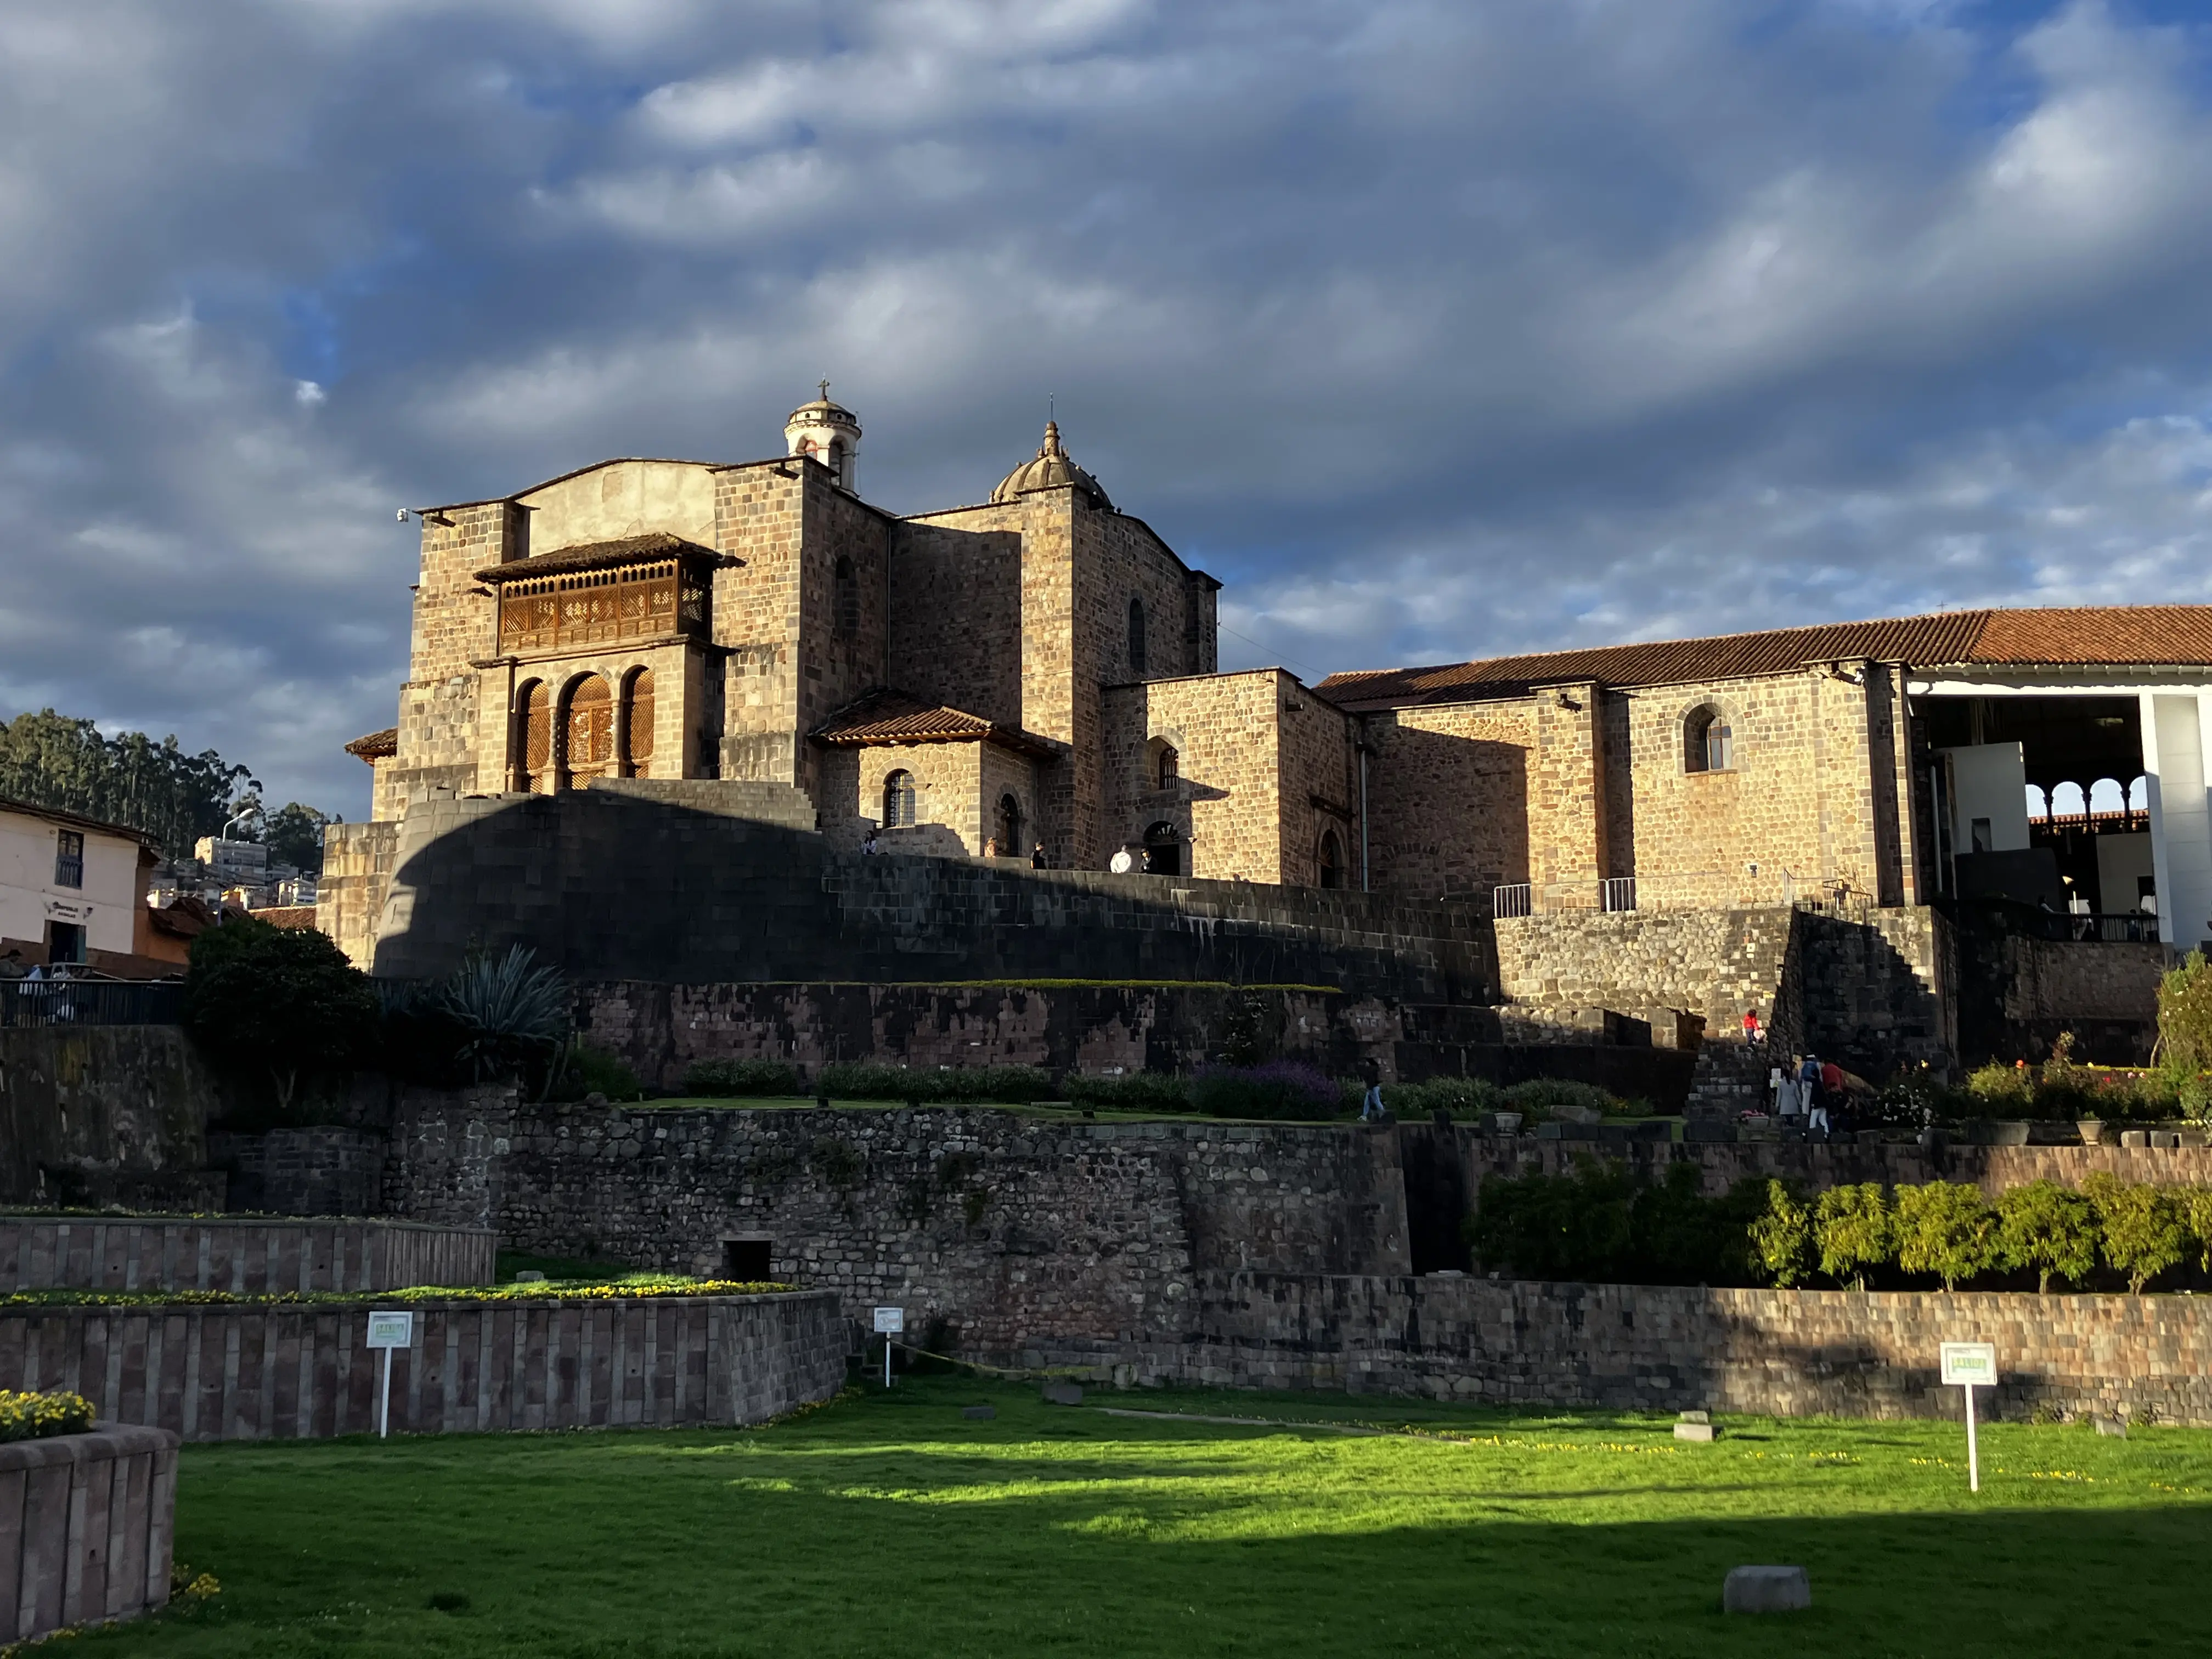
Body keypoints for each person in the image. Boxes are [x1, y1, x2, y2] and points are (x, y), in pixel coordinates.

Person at [1799, 1053, 1828, 1138]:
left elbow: (1800, 1076)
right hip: (1823, 1104)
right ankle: (1827, 1133)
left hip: (1813, 1100)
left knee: (1813, 1119)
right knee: (1823, 1120)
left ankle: (1812, 1133)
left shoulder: (1803, 1065)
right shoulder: (1817, 1066)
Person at [1358, 1057, 1384, 1122]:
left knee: (1376, 1101)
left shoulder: (1371, 1070)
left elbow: (1371, 1081)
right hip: (1373, 1088)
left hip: (1373, 1088)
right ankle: (1364, 1116)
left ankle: (1383, 1114)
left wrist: (1370, 1088)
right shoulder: (1374, 1069)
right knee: (1367, 1102)